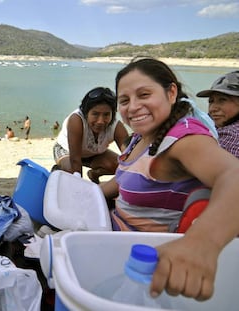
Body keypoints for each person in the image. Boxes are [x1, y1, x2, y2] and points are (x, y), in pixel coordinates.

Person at [101, 57, 239, 301]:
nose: (132, 107)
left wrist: (202, 243)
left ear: (171, 92)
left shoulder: (183, 138)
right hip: (108, 236)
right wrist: (80, 191)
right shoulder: (141, 136)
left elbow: (233, 175)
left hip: (137, 267)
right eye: (124, 100)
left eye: (144, 95)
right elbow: (118, 184)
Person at [53, 87, 129, 183]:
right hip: (68, 151)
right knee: (71, 173)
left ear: (113, 114)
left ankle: (93, 174)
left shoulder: (116, 126)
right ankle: (58, 171)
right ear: (85, 113)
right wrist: (80, 188)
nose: (100, 121)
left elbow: (130, 157)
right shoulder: (76, 120)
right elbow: (75, 160)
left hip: (93, 153)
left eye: (106, 115)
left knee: (119, 165)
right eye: (95, 114)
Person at [196, 70, 239, 158]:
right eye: (211, 101)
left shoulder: (231, 134)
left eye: (222, 100)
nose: (212, 109)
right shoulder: (215, 125)